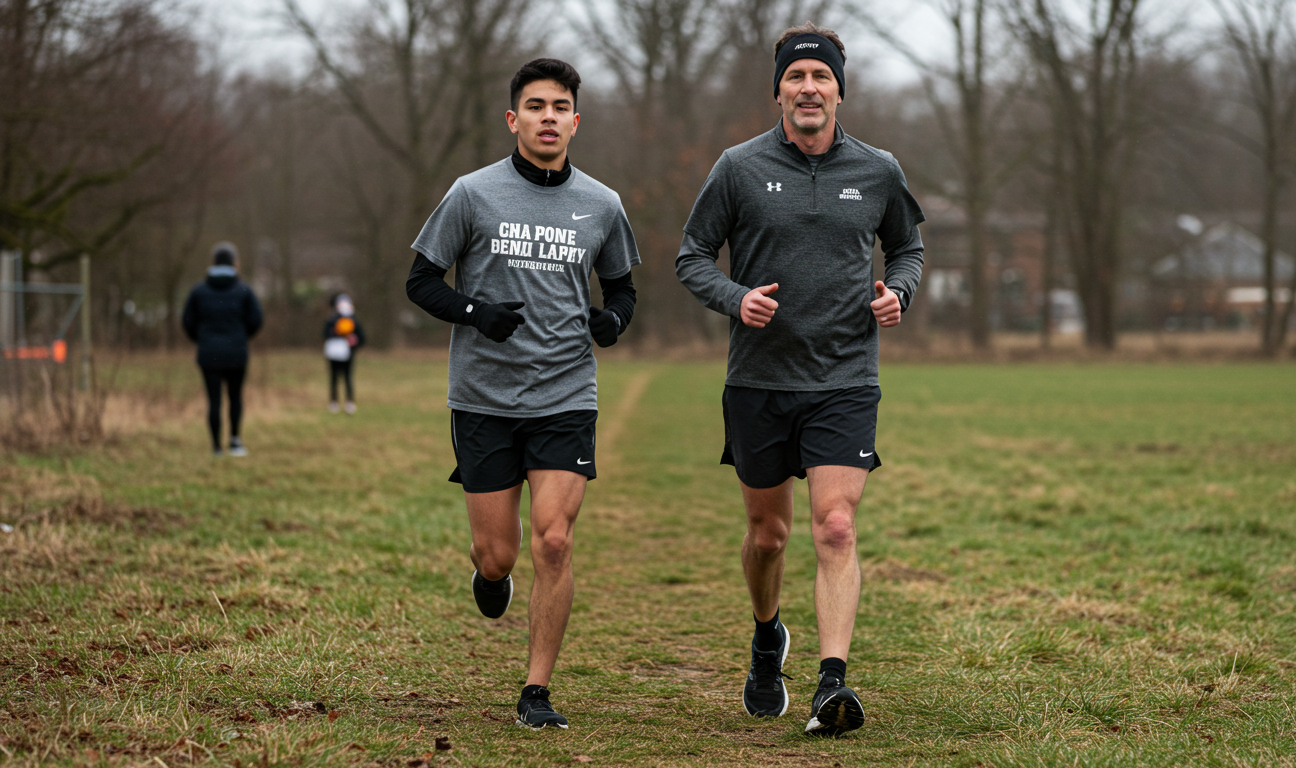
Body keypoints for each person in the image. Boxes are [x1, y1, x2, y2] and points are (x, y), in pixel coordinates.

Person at [675, 22, 925, 737]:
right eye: (796, 77)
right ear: (778, 91)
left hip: (845, 377)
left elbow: (907, 248)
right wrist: (736, 299)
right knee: (768, 535)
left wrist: (898, 293)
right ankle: (766, 636)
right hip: (759, 379)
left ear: (840, 91)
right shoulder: (738, 167)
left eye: (821, 77)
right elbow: (691, 256)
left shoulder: (878, 170)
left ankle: (831, 683)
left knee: (836, 527)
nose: (809, 88)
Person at [405, 58, 640, 730]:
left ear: (575, 121)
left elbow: (622, 289)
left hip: (566, 393)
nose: (548, 117)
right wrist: (475, 313)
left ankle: (536, 692)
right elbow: (420, 282)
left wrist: (613, 321)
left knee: (555, 543)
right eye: (535, 106)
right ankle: (489, 576)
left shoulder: (603, 203)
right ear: (514, 119)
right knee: (499, 552)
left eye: (560, 107)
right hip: (483, 397)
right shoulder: (471, 194)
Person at [181, 242, 264, 457]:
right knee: (235, 397)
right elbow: (256, 319)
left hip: (209, 354)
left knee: (214, 401)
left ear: (213, 262)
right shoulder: (244, 290)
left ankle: (216, 447)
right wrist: (241, 337)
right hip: (236, 353)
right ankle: (235, 442)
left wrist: (202, 339)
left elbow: (187, 321)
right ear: (235, 262)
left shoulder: (199, 291)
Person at [323, 293, 365, 414]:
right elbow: (325, 334)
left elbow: (362, 338)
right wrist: (335, 333)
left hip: (348, 354)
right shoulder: (332, 319)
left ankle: (349, 402)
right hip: (333, 354)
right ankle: (333, 402)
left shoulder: (354, 321)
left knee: (348, 377)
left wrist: (354, 342)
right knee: (334, 377)